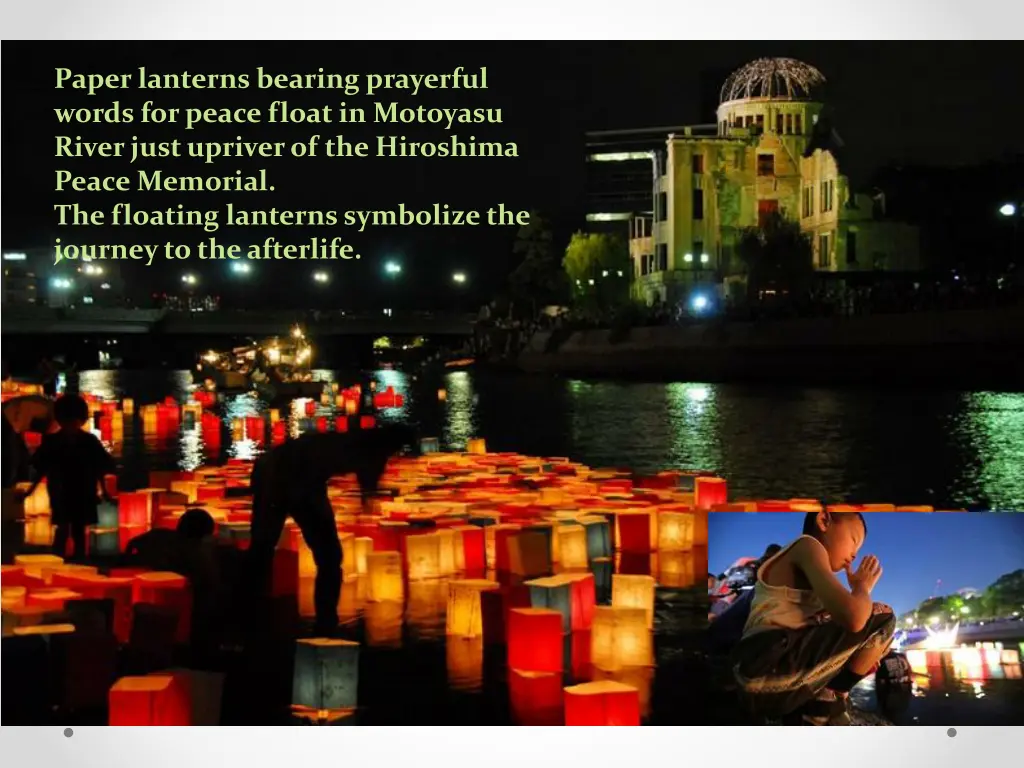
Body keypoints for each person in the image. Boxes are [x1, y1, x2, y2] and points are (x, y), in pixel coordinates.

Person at [247, 424, 416, 635]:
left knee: (262, 549)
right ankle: (324, 622)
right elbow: (368, 484)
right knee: (328, 555)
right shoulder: (372, 448)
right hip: (291, 477)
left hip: (274, 469)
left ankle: (253, 612)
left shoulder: (359, 441)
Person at [731, 512, 896, 725]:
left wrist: (861, 653)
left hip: (761, 679)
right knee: (884, 618)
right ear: (824, 520)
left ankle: (818, 703)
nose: (854, 554)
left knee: (876, 642)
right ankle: (830, 699)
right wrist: (862, 588)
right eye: (854, 540)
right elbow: (855, 618)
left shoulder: (811, 580)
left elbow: (837, 626)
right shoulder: (808, 545)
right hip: (766, 667)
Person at [19, 394, 116, 559]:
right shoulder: (54, 442)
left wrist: (105, 492)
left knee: (78, 530)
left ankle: (78, 562)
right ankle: (59, 561)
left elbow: (99, 467)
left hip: (82, 491)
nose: (71, 425)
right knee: (63, 528)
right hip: (62, 492)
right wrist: (29, 492)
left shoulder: (88, 441)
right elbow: (42, 468)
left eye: (74, 421)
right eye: (67, 421)